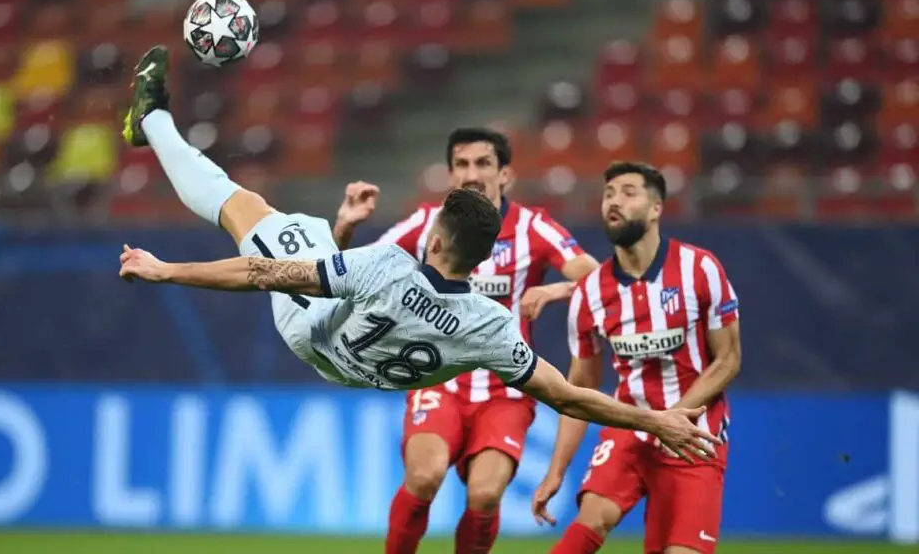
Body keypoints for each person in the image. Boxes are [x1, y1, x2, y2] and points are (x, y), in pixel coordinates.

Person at [116, 45, 720, 480]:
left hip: (313, 330)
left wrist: (165, 270)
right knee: (309, 236)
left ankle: (153, 122)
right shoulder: (490, 326)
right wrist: (656, 421)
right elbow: (567, 397)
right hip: (358, 369)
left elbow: (259, 273)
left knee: (245, 210)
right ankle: (164, 131)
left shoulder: (387, 265)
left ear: (432, 239)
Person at [331, 127, 598, 554]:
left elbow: (601, 281)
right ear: (450, 173)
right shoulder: (425, 225)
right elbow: (349, 269)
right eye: (462, 164)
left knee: (485, 494)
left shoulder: (534, 228)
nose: (471, 174)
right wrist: (344, 225)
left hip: (505, 390)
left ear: (505, 174)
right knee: (423, 476)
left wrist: (555, 290)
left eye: (482, 164)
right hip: (438, 378)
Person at [530, 162, 742, 554]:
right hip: (630, 428)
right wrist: (556, 470)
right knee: (590, 519)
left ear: (656, 208)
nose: (614, 200)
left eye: (628, 192)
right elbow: (579, 387)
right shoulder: (590, 293)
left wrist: (673, 418)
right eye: (609, 193)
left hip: (696, 436)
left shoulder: (701, 269)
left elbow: (728, 360)